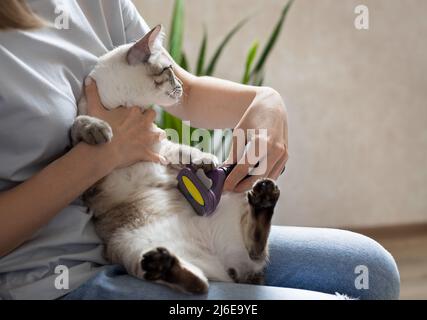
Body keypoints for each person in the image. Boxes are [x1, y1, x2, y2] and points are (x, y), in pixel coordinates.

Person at [0, 0, 399, 300]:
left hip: (169, 221)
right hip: (56, 277)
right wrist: (102, 157)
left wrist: (265, 100)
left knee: (371, 269)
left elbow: (180, 89)